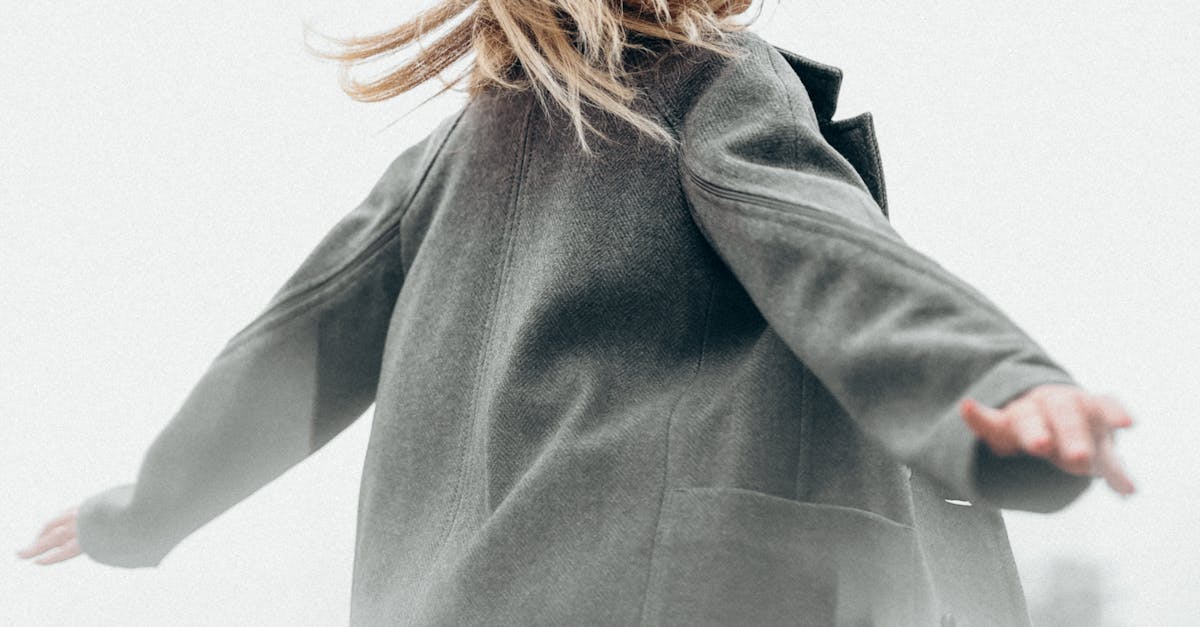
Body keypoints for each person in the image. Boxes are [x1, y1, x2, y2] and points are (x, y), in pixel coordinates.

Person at [17, 1, 1135, 624]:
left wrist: (141, 512)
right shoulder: (704, 82)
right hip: (664, 592)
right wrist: (999, 381)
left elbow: (285, 356)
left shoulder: (434, 167)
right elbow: (825, 243)